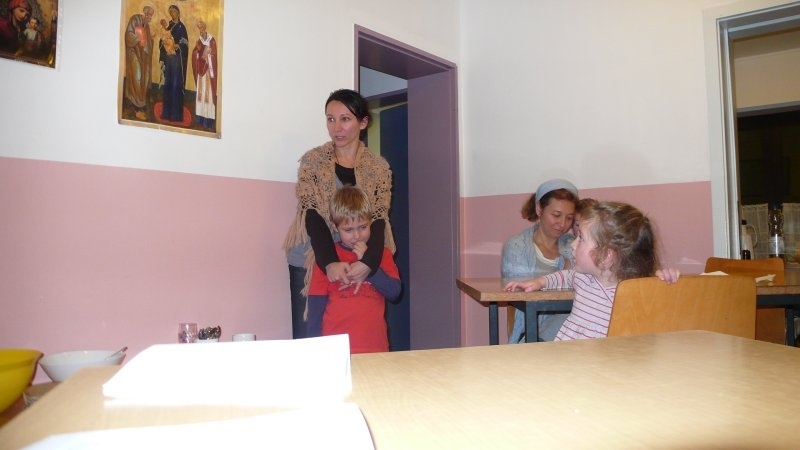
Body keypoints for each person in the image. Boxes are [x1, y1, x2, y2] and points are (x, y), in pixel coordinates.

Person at [283, 89, 394, 340]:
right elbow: (312, 215)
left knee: (357, 333)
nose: (336, 127)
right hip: (312, 259)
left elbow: (379, 220)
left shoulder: (378, 168)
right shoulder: (313, 162)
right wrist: (329, 262)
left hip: (358, 257)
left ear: (363, 122)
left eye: (345, 119)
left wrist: (369, 263)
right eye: (330, 119)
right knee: (309, 339)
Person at [504, 199, 680, 340]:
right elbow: (564, 276)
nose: (573, 244)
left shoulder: (633, 291)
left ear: (606, 256)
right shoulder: (583, 278)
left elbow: (660, 314)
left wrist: (664, 282)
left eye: (581, 238)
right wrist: (539, 282)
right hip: (572, 357)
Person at [305, 186, 401, 353]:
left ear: (370, 222)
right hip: (334, 351)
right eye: (348, 230)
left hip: (375, 350)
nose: (357, 236)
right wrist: (313, 351)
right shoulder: (327, 262)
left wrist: (369, 265)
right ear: (335, 227)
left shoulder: (382, 255)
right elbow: (315, 311)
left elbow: (394, 292)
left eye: (363, 227)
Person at [501, 179, 578, 343]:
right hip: (531, 330)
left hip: (572, 331)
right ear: (539, 209)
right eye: (556, 215)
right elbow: (522, 295)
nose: (562, 224)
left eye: (569, 218)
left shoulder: (576, 245)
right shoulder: (517, 246)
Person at [124, 6, 155, 121]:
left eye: (151, 16)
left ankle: (138, 102)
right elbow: (128, 35)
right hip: (133, 53)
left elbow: (147, 42)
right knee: (137, 76)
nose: (149, 18)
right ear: (145, 14)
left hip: (142, 55)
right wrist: (138, 40)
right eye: (149, 16)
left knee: (143, 77)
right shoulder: (135, 19)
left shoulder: (147, 26)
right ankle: (138, 107)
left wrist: (150, 39)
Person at [191, 20, 217, 130]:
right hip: (201, 74)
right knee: (201, 95)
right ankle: (200, 117)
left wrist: (209, 56)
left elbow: (214, 55)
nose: (200, 31)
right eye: (199, 29)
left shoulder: (212, 41)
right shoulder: (199, 41)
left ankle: (208, 120)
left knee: (208, 95)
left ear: (205, 28)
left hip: (208, 73)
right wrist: (197, 51)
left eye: (202, 28)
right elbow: (194, 53)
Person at [158, 5, 188, 91]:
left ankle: (176, 96)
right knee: (168, 78)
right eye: (170, 12)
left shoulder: (181, 27)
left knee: (175, 79)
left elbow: (185, 43)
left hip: (177, 58)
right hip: (168, 57)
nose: (172, 14)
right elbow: (163, 37)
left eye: (174, 12)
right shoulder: (169, 25)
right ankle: (167, 96)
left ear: (178, 13)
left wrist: (178, 45)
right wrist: (162, 42)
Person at [158, 32, 184, 122]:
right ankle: (168, 113)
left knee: (175, 87)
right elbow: (164, 47)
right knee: (169, 86)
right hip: (170, 60)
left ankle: (174, 115)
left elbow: (181, 46)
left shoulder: (177, 32)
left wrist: (177, 46)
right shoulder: (166, 37)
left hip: (175, 60)